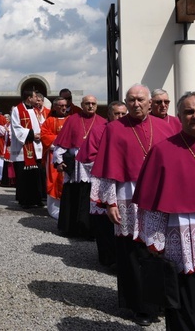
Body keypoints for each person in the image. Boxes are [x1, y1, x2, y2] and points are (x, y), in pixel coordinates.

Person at [134, 91, 195, 330]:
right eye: (189, 112)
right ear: (179, 116)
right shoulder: (162, 151)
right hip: (178, 238)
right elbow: (151, 204)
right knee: (182, 299)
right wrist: (154, 242)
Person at [90, 84, 177, 327]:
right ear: (125, 103)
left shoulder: (165, 127)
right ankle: (139, 305)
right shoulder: (115, 129)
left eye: (141, 99)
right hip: (127, 196)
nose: (136, 104)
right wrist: (109, 203)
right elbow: (107, 168)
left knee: (158, 247)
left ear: (150, 102)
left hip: (159, 197)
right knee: (131, 251)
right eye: (131, 100)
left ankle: (160, 299)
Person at [53, 95, 106, 237]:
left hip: (95, 164)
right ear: (81, 105)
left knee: (91, 195)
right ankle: (71, 228)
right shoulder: (72, 120)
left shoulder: (103, 122)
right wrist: (58, 161)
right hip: (76, 165)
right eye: (87, 103)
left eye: (93, 103)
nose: (90, 106)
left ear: (97, 105)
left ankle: (90, 229)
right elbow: (61, 143)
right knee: (74, 194)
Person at [84, 101, 127, 267]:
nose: (121, 117)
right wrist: (111, 166)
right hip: (103, 182)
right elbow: (89, 158)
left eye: (124, 114)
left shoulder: (130, 131)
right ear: (109, 115)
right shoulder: (98, 131)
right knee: (103, 223)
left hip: (124, 184)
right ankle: (107, 258)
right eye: (117, 114)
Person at [10, 89, 45, 208]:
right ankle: (25, 200)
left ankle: (37, 198)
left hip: (36, 147)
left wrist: (42, 134)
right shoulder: (17, 110)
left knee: (36, 174)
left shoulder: (36, 110)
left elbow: (41, 124)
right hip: (23, 148)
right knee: (24, 176)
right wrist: (31, 134)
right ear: (29, 98)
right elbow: (16, 127)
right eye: (35, 97)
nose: (37, 99)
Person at [41, 97, 70, 219]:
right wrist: (61, 140)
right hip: (53, 157)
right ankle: (54, 210)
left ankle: (68, 208)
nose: (64, 108)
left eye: (65, 105)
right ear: (55, 107)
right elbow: (44, 136)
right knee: (54, 180)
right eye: (60, 105)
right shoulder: (49, 121)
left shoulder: (71, 120)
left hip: (69, 157)